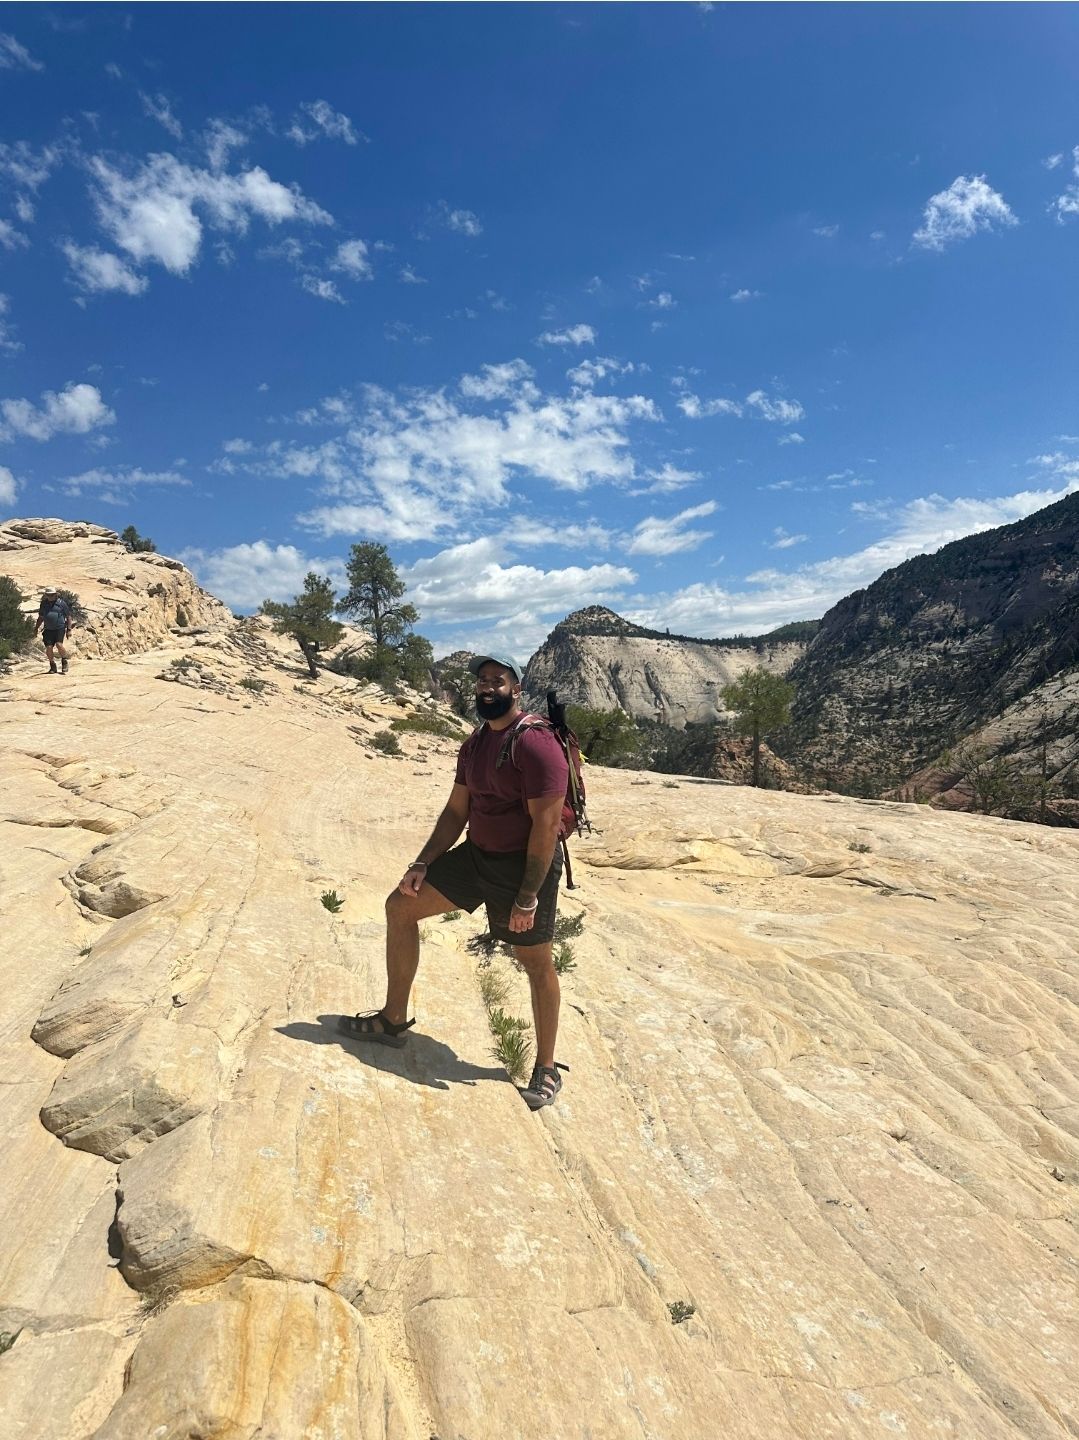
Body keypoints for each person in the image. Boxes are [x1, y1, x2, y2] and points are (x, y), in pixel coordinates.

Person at [340, 652, 571, 1110]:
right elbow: (455, 811)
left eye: (497, 680)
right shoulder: (476, 742)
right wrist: (423, 862)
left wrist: (527, 898)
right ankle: (392, 1019)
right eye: (482, 681)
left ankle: (545, 1067)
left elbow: (545, 829)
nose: (487, 687)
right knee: (399, 906)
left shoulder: (537, 745)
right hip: (476, 858)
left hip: (523, 869)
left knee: (535, 962)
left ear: (516, 688)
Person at [34, 586, 72, 674]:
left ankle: (64, 661)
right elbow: (41, 617)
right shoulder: (44, 604)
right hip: (48, 629)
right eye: (48, 595)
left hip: (59, 628)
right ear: (46, 595)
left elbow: (68, 617)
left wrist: (69, 629)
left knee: (59, 644)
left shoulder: (62, 604)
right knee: (49, 647)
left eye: (52, 595)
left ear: (55, 595)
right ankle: (52, 665)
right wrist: (36, 628)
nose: (50, 597)